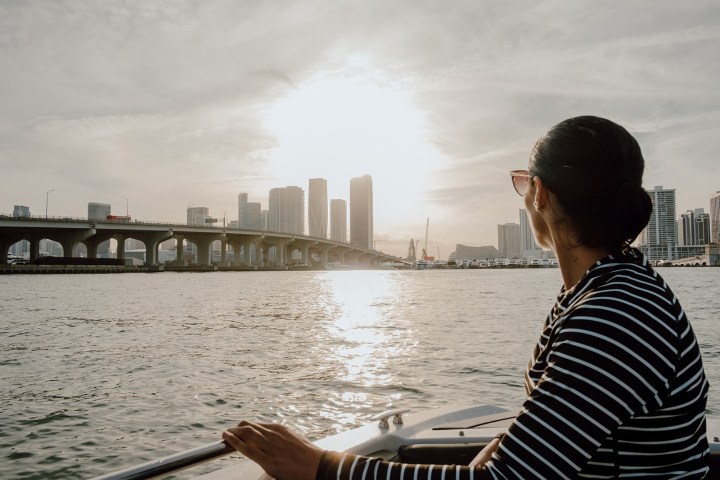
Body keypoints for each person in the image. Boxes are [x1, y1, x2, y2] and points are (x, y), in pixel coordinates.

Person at [222, 116, 710, 479]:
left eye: (522, 182)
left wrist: (321, 465)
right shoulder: (612, 288)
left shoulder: (615, 313)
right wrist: (509, 441)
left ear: (539, 193)